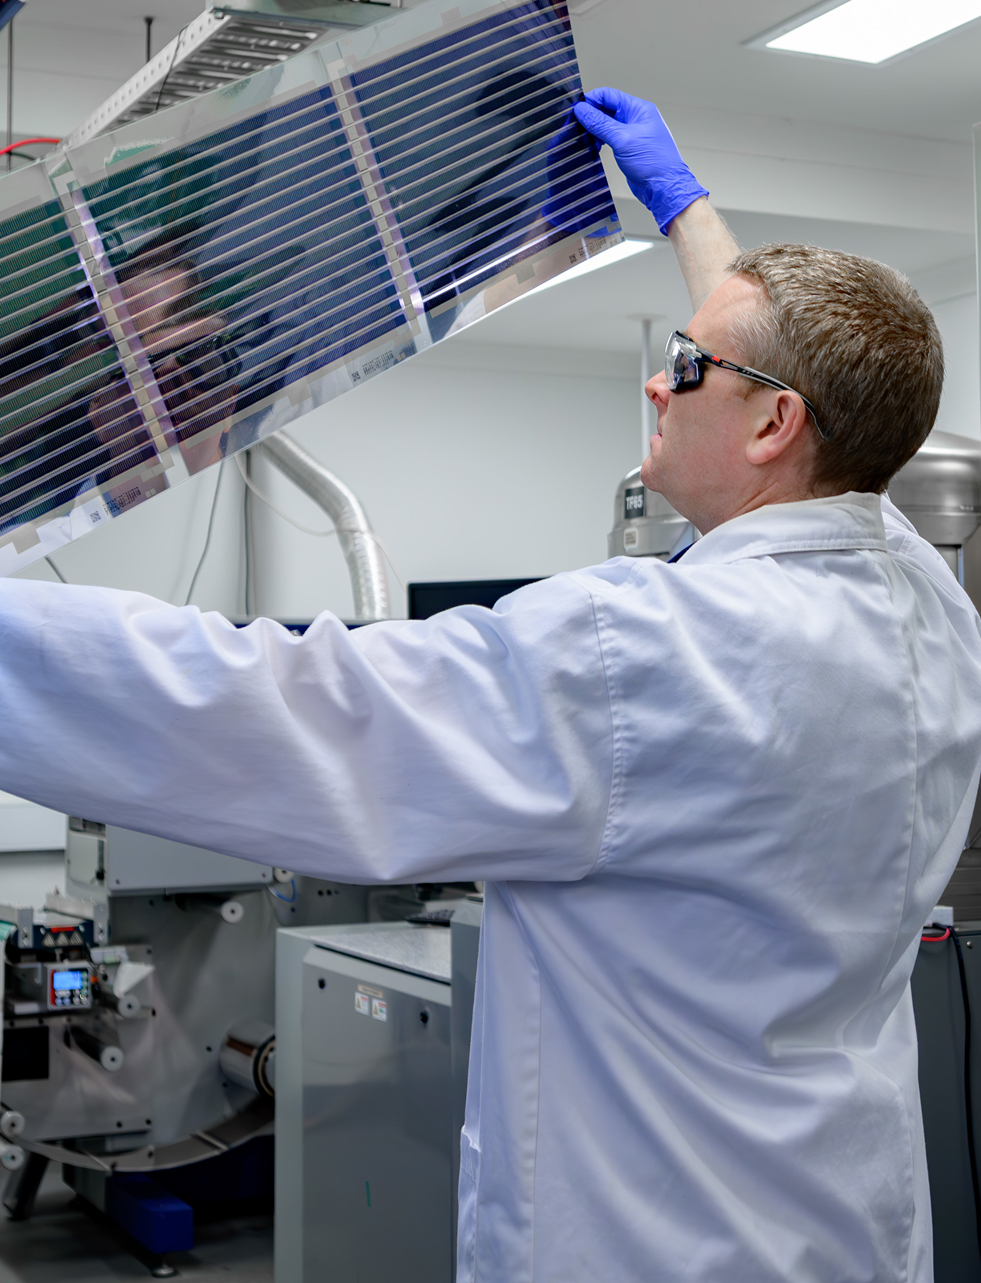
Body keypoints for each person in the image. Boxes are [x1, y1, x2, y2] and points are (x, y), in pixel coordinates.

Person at [0, 87, 979, 1283]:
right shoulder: (927, 600)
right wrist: (691, 219)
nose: (660, 384)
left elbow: (277, 706)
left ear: (775, 423)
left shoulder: (642, 655)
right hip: (843, 1221)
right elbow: (804, 406)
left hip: (658, 1242)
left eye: (686, 364)